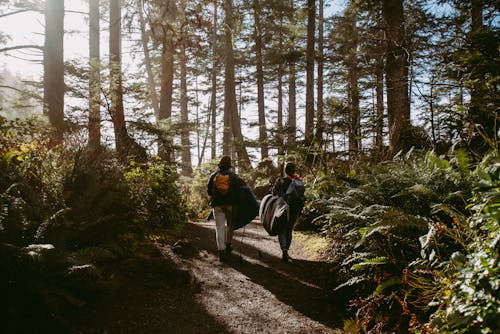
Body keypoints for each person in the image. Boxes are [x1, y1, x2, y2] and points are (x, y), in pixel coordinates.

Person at [207, 156, 238, 261]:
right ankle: (228, 246)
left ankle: (221, 252)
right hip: (230, 205)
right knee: (230, 225)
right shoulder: (234, 176)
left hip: (217, 205)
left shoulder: (214, 175)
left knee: (219, 228)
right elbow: (239, 191)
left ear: (220, 164)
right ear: (229, 165)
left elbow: (209, 191)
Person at [272, 162, 304, 263]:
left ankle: (284, 249)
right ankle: (287, 251)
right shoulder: (298, 182)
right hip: (294, 208)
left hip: (282, 208)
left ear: (285, 170)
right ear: (294, 171)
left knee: (282, 229)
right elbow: (302, 196)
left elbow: (274, 193)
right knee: (289, 229)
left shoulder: (280, 180)